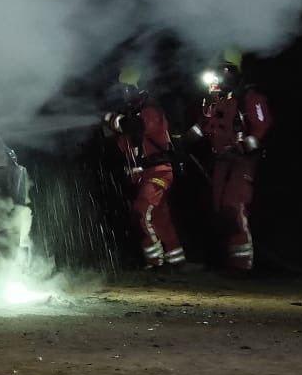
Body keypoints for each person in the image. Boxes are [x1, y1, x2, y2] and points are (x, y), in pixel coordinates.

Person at [191, 53, 273, 272]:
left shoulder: (249, 98)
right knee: (219, 209)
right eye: (217, 71)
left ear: (235, 73)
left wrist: (243, 146)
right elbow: (204, 127)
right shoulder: (215, 100)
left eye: (224, 70)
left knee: (233, 206)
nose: (219, 77)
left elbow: (263, 126)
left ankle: (242, 265)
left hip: (242, 161)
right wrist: (181, 141)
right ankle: (228, 260)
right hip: (221, 161)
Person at [102, 70, 186, 271]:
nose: (124, 95)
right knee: (160, 217)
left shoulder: (151, 111)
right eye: (121, 91)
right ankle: (176, 260)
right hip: (146, 175)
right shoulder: (132, 115)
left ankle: (155, 262)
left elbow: (132, 126)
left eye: (126, 90)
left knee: (141, 212)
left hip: (159, 171)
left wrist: (110, 118)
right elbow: (117, 137)